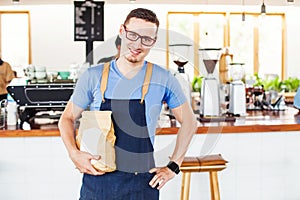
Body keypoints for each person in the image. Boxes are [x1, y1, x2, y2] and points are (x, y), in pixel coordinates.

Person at [59, 8, 197, 200]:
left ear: (153, 42)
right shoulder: (93, 76)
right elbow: (67, 118)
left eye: (146, 39)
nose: (138, 44)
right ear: (122, 31)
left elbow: (190, 123)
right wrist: (73, 153)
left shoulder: (164, 78)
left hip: (142, 186)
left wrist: (173, 166)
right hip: (98, 184)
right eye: (132, 35)